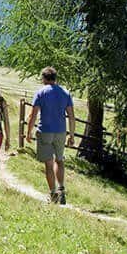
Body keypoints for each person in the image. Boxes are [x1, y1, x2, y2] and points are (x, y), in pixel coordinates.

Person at [26, 66, 76, 204]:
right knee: (59, 160)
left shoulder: (41, 93)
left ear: (43, 78)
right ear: (55, 78)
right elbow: (71, 116)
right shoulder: (65, 93)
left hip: (45, 131)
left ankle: (53, 194)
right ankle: (62, 189)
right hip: (60, 131)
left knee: (49, 164)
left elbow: (33, 115)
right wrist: (71, 135)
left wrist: (28, 132)